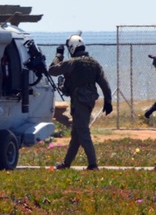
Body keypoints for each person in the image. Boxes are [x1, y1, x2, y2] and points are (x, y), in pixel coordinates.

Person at [48, 34, 113, 171]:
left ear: (72, 48)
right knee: (77, 134)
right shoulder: (94, 63)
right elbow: (104, 83)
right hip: (89, 102)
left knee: (82, 131)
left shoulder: (72, 63)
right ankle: (66, 163)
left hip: (79, 101)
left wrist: (59, 55)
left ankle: (93, 165)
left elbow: (52, 70)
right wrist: (108, 101)